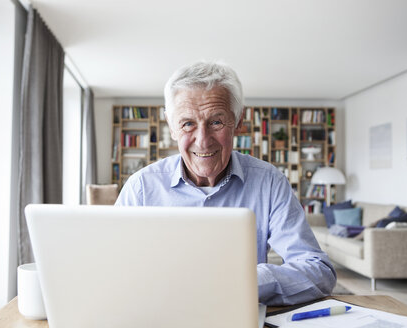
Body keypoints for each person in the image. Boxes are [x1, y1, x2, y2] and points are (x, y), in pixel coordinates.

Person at [115, 61, 336, 306]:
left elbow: (319, 272)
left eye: (216, 122)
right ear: (171, 126)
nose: (203, 141)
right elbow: (111, 268)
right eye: (188, 123)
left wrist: (243, 281)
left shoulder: (269, 183)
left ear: (239, 121)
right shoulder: (141, 188)